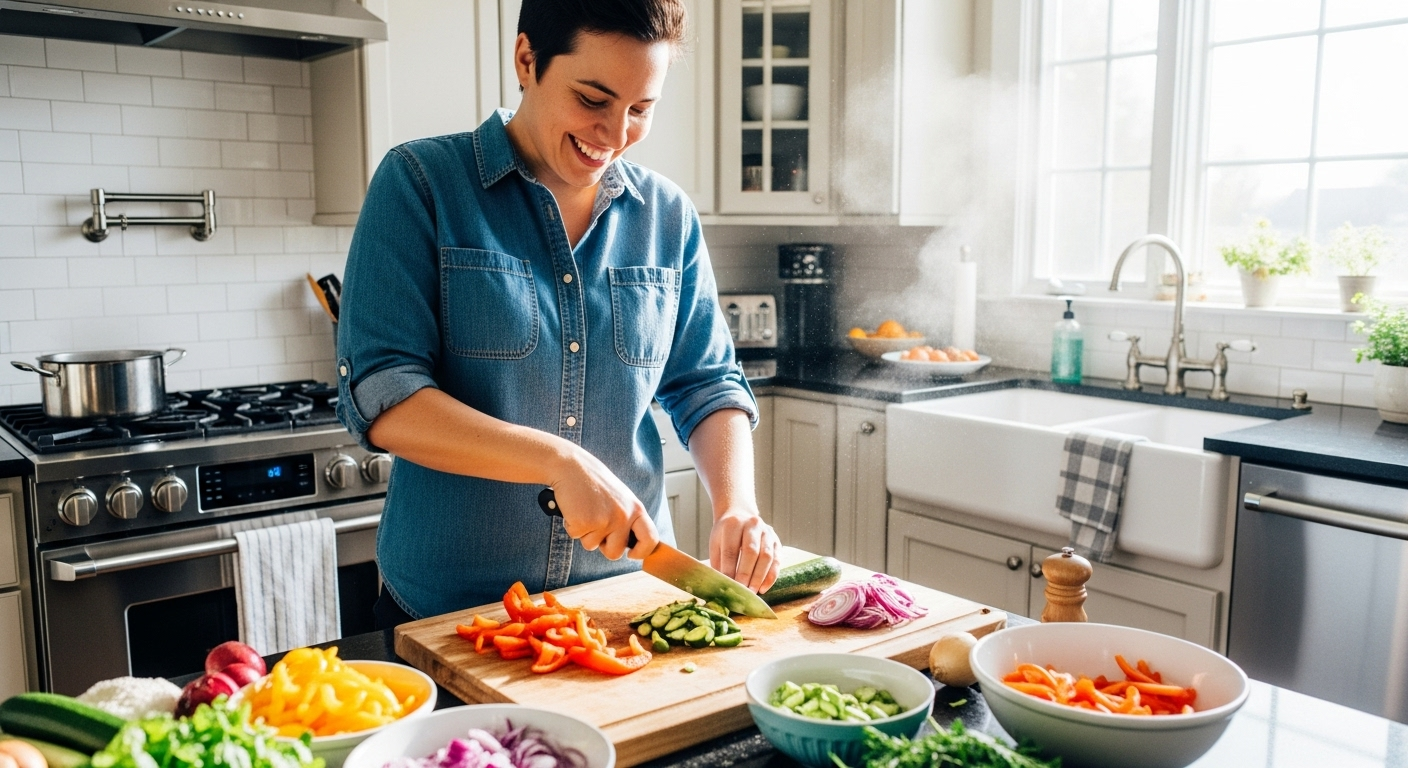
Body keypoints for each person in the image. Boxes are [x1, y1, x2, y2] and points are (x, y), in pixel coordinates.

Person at [335, 0, 781, 627]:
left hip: (623, 609)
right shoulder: (421, 183)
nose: (616, 132)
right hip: (451, 616)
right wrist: (558, 461)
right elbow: (384, 395)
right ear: (527, 59)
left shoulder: (667, 216)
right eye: (594, 100)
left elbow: (706, 381)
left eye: (641, 109)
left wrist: (738, 506)